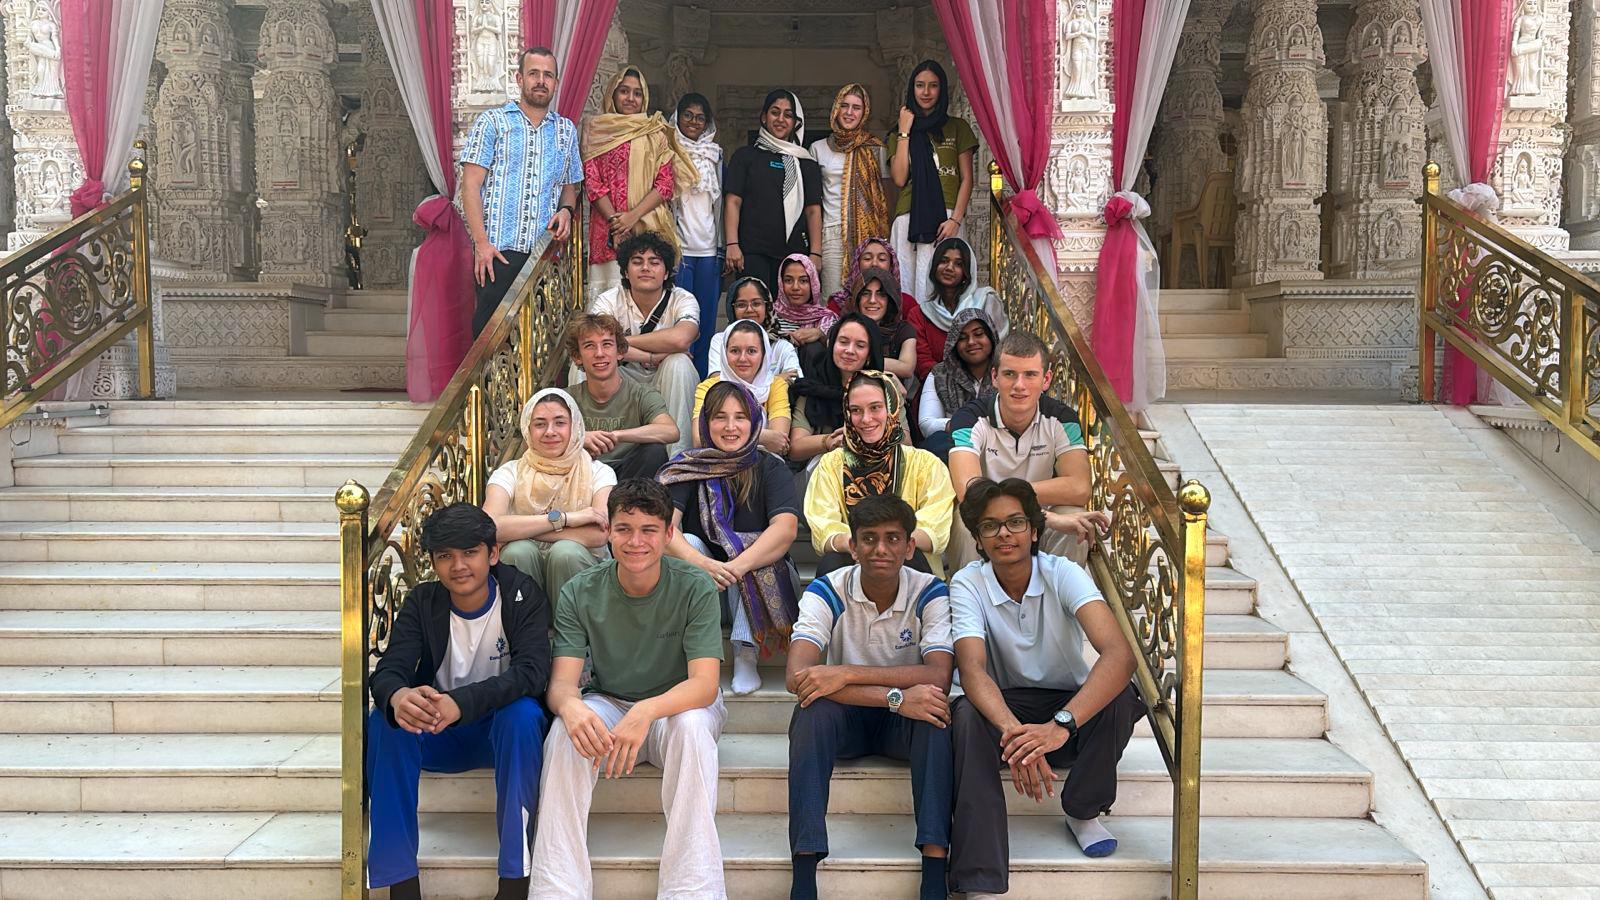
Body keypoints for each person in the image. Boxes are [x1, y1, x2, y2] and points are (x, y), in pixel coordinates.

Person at [528, 479, 727, 899]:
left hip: (678, 705)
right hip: (611, 701)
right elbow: (562, 684)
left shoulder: (695, 585)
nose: (635, 542)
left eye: (648, 530)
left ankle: (692, 890)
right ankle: (558, 889)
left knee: (692, 729)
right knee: (564, 733)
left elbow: (704, 685)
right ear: (609, 532)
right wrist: (570, 707)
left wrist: (646, 710)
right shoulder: (580, 590)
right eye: (624, 529)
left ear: (668, 533)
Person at [947, 479, 1144, 897]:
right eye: (990, 526)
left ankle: (1083, 811)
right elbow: (972, 669)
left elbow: (1119, 655)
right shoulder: (968, 582)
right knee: (964, 712)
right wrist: (1015, 734)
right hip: (1004, 712)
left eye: (1016, 522)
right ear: (978, 538)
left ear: (1035, 530)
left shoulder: (1063, 572)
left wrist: (1059, 726)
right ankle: (980, 873)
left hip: (1066, 710)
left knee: (1122, 695)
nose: (1004, 534)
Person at [366, 503, 550, 900]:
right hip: (440, 730)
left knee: (522, 715)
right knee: (386, 721)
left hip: (500, 734)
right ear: (433, 562)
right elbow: (390, 669)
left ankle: (515, 881)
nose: (459, 566)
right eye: (445, 556)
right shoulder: (423, 601)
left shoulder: (521, 594)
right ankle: (401, 884)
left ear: (493, 553)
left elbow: (533, 673)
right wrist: (399, 695)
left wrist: (461, 703)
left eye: (470, 552)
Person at [786, 494, 954, 900]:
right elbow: (797, 675)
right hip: (848, 719)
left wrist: (845, 672)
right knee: (811, 710)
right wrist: (895, 697)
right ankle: (804, 873)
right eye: (869, 538)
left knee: (934, 713)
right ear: (853, 546)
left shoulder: (930, 590)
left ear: (910, 547)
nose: (881, 549)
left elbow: (938, 675)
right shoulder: (827, 588)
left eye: (893, 538)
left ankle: (934, 872)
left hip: (902, 724)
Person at [660, 381, 802, 696]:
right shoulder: (688, 467)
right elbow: (663, 528)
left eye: (740, 417)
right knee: (688, 543)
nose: (730, 427)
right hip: (708, 589)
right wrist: (704, 564)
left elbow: (786, 529)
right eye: (720, 417)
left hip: (766, 585)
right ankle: (696, 652)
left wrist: (736, 566)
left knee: (755, 545)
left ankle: (746, 653)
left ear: (754, 422)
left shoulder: (770, 467)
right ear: (705, 423)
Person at [946, 330, 1094, 570]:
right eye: (1009, 374)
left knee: (1074, 517)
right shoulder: (969, 418)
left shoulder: (1061, 418)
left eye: (1030, 375)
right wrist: (1044, 516)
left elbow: (1080, 487)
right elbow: (968, 492)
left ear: (1046, 379)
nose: (1019, 385)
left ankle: (1061, 593)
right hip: (988, 517)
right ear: (994, 377)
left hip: (1038, 520)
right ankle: (970, 593)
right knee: (964, 521)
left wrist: (1030, 511)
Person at [462, 46, 581, 335]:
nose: (541, 81)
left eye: (548, 75)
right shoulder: (493, 122)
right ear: (519, 78)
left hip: (544, 256)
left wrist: (567, 210)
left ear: (555, 83)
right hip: (498, 253)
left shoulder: (565, 131)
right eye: (533, 74)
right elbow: (470, 185)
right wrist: (481, 244)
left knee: (538, 339)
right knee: (492, 341)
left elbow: (570, 186)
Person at [804, 370, 953, 577]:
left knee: (911, 555)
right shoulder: (830, 465)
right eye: (856, 410)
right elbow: (824, 528)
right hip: (852, 557)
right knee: (833, 562)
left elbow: (934, 531)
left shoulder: (926, 464)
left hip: (909, 563)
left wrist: (887, 545)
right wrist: (862, 545)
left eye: (875, 407)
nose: (866, 419)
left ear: (892, 408)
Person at [483, 390, 615, 603]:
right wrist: (566, 519)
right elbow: (489, 528)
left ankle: (570, 624)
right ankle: (526, 623)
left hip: (580, 570)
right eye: (540, 424)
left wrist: (523, 530)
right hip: (524, 568)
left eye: (560, 423)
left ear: (575, 426)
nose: (550, 432)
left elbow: (599, 534)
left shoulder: (599, 472)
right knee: (519, 551)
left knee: (565, 553)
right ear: (527, 429)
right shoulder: (510, 472)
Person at [581, 67, 697, 296]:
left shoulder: (655, 132)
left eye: (637, 93)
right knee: (609, 303)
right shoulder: (594, 130)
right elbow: (592, 183)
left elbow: (665, 184)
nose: (630, 98)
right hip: (607, 230)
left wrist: (632, 217)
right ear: (612, 94)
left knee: (646, 298)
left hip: (647, 227)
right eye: (624, 91)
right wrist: (617, 224)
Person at [586, 231, 700, 456]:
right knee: (582, 365)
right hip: (622, 376)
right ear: (625, 271)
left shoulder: (682, 299)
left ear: (666, 272)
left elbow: (681, 338)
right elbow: (598, 344)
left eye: (654, 262)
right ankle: (591, 454)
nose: (645, 268)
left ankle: (678, 460)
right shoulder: (609, 300)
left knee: (679, 363)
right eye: (637, 262)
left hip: (664, 376)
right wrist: (651, 356)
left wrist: (619, 342)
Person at [889, 60, 979, 308]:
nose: (926, 92)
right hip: (909, 218)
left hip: (946, 217)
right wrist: (904, 131)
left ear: (942, 89)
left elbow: (966, 179)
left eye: (933, 85)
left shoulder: (957, 127)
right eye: (920, 85)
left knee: (946, 287)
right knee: (907, 287)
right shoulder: (898, 132)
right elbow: (899, 178)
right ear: (912, 89)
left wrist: (955, 220)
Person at [725, 89, 823, 295]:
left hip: (793, 256)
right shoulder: (745, 156)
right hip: (752, 252)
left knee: (789, 313)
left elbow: (813, 211)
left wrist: (816, 253)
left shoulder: (806, 163)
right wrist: (732, 243)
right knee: (754, 309)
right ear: (764, 117)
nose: (780, 119)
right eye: (775, 112)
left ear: (795, 122)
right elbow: (733, 201)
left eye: (788, 115)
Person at [565, 312, 681, 481]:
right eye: (589, 346)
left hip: (629, 479)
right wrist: (580, 437)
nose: (599, 353)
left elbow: (670, 431)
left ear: (620, 352)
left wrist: (616, 435)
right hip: (582, 477)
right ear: (577, 357)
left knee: (654, 451)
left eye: (607, 344)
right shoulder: (566, 399)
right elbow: (536, 437)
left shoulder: (642, 394)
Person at [812, 83, 890, 296]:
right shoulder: (818, 148)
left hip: (869, 236)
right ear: (836, 109)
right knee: (833, 298)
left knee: (867, 295)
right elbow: (813, 201)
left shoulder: (875, 148)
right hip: (832, 233)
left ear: (865, 113)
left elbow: (887, 198)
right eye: (844, 106)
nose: (849, 112)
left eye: (856, 107)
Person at [670, 92, 724, 375]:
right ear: (678, 118)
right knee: (681, 322)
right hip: (680, 249)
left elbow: (722, 203)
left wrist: (724, 247)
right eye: (688, 115)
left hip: (709, 251)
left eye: (700, 117)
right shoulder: (668, 152)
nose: (693, 122)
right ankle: (680, 380)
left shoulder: (715, 155)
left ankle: (702, 382)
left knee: (706, 322)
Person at [788, 313, 888, 463]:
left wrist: (866, 435)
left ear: (869, 355)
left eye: (860, 345)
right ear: (832, 344)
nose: (849, 350)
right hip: (825, 470)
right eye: (843, 342)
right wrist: (830, 440)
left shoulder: (884, 387)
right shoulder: (813, 387)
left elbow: (906, 442)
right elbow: (795, 448)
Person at [912, 236, 1007, 379]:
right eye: (944, 261)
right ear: (934, 266)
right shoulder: (920, 314)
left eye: (958, 264)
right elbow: (923, 363)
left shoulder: (986, 301)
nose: (949, 268)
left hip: (986, 383)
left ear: (967, 271)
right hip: (936, 384)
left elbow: (1001, 351)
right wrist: (957, 383)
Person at [693, 320, 793, 455]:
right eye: (735, 351)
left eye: (751, 351)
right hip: (716, 461)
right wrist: (762, 436)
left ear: (764, 354)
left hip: (763, 461)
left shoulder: (775, 385)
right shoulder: (708, 387)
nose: (742, 358)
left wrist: (722, 435)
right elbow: (699, 439)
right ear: (724, 353)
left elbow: (779, 441)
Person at [918, 308, 998, 460]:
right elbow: (927, 424)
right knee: (936, 442)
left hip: (1000, 447)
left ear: (991, 337)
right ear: (954, 343)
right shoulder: (940, 374)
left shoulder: (1007, 371)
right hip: (957, 448)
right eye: (962, 338)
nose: (971, 342)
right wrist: (967, 426)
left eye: (978, 334)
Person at [708, 276, 802, 382]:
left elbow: (796, 380)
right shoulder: (720, 340)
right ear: (732, 309)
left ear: (767, 306)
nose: (749, 310)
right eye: (741, 305)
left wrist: (735, 382)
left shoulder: (782, 345)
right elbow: (717, 382)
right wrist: (776, 380)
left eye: (756, 303)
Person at [846, 267, 916, 380]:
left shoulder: (903, 330)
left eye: (881, 294)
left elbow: (907, 368)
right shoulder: (845, 327)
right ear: (857, 298)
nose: (872, 300)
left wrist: (861, 360)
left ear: (890, 300)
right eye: (865, 293)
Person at [825, 235, 919, 317]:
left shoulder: (906, 303)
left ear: (891, 266)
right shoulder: (839, 303)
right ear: (857, 264)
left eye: (882, 259)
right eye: (867, 258)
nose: (874, 263)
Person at [771, 252, 837, 351]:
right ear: (781, 283)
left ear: (813, 284)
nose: (795, 287)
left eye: (803, 281)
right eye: (788, 280)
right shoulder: (769, 315)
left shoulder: (827, 319)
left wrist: (820, 334)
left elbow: (838, 350)